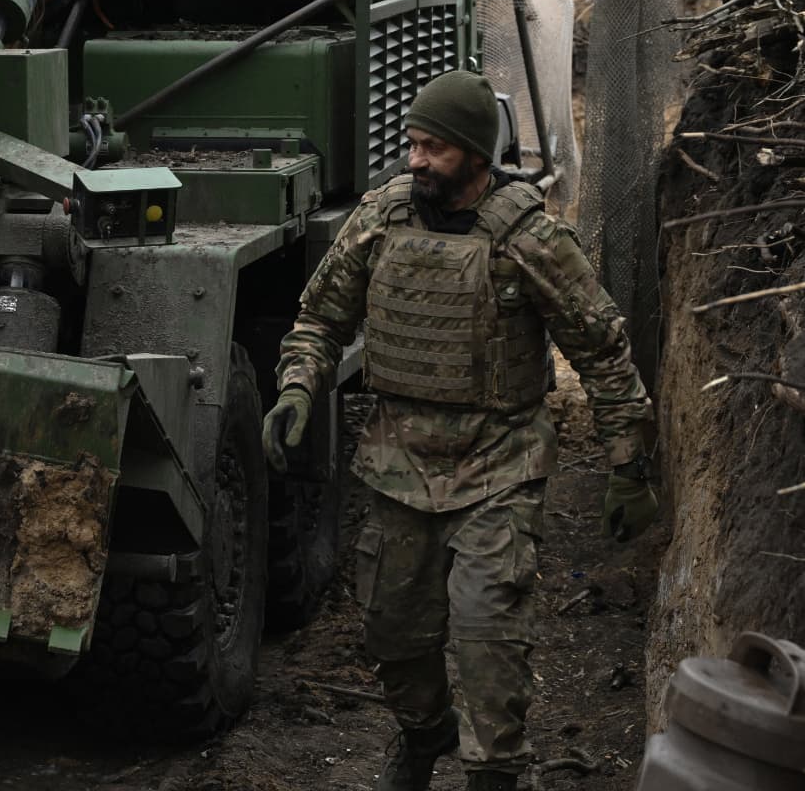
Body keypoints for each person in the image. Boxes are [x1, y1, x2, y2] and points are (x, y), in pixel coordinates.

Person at [264, 70, 658, 791]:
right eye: (413, 145)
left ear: (477, 155)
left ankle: (494, 773)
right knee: (394, 642)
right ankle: (424, 736)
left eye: (433, 149)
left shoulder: (528, 237)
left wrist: (628, 460)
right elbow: (320, 320)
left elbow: (600, 347)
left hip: (499, 469)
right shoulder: (382, 219)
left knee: (489, 645)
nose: (415, 161)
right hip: (397, 466)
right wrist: (297, 388)